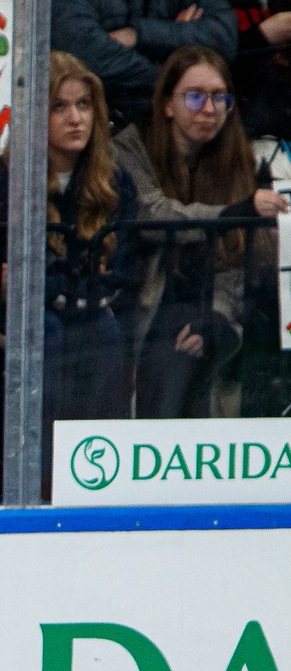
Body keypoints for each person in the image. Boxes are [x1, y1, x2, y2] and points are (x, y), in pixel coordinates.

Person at [115, 45, 285, 417]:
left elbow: (238, 257)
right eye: (195, 97)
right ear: (167, 104)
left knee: (211, 342)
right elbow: (154, 215)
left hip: (209, 305)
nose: (209, 109)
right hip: (144, 300)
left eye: (220, 98)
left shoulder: (237, 158)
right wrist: (233, 213)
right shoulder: (129, 149)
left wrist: (217, 317)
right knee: (172, 357)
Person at [0, 53, 141, 426]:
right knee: (46, 330)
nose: (76, 118)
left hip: (92, 310)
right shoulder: (1, 174)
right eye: (59, 106)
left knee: (105, 332)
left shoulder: (117, 181)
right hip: (24, 315)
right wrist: (70, 284)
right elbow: (8, 276)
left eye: (84, 104)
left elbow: (118, 273)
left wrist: (58, 286)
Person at [52, 0, 236, 124]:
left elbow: (223, 39)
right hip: (103, 120)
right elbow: (88, 55)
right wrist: (174, 69)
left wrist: (138, 35)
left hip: (171, 121)